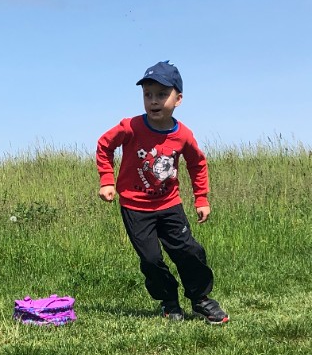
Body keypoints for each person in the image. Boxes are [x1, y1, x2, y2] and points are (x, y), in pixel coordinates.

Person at [96, 60, 229, 324]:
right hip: (135, 207)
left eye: (161, 94)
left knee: (189, 251)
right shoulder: (130, 126)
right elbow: (104, 145)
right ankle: (169, 301)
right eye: (148, 95)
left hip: (169, 205)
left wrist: (201, 198)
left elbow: (197, 164)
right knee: (151, 259)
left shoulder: (183, 135)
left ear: (178, 99)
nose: (154, 101)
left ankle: (201, 299)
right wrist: (107, 180)